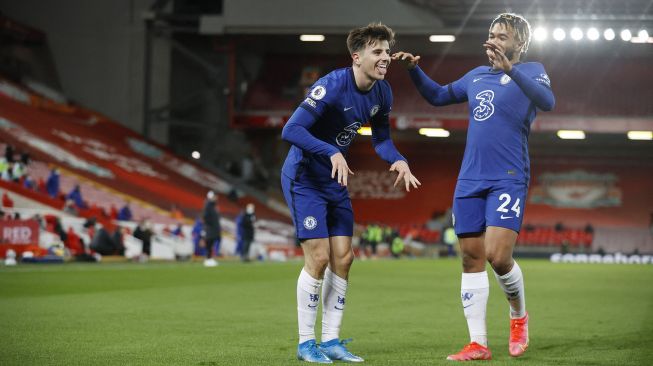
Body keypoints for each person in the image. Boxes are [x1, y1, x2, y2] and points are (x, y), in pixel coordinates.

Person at [393, 12, 554, 361]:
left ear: (519, 43)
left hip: (508, 175)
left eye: (502, 35)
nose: (493, 40)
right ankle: (478, 343)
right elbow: (436, 96)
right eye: (491, 34)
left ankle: (518, 317)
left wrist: (510, 69)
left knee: (498, 255)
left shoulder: (531, 70)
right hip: (470, 178)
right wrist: (413, 70)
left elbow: (547, 102)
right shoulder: (476, 76)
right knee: (470, 258)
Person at [280, 22, 421, 363]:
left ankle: (330, 341)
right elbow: (291, 129)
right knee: (319, 258)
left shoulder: (382, 93)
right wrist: (330, 151)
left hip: (334, 180)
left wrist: (399, 160)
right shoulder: (330, 86)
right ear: (357, 57)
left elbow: (382, 140)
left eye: (387, 51)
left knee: (344, 258)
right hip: (305, 178)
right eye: (378, 52)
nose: (386, 58)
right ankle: (305, 344)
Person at [201, 190, 221, 267]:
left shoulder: (213, 206)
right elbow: (205, 217)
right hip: (210, 228)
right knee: (209, 243)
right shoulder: (208, 205)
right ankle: (208, 259)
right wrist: (209, 225)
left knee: (211, 243)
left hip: (213, 228)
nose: (216, 198)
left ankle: (210, 258)